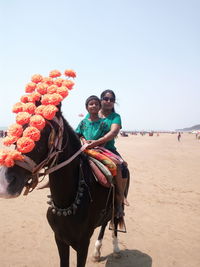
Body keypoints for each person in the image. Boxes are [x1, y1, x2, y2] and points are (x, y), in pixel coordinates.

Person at [76, 95, 126, 217]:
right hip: (84, 148)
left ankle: (119, 197)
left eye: (111, 99)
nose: (108, 101)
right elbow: (78, 133)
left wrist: (95, 144)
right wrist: (83, 140)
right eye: (106, 99)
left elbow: (112, 133)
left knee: (119, 167)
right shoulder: (84, 120)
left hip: (103, 149)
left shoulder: (111, 119)